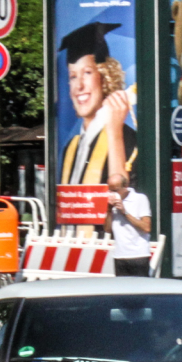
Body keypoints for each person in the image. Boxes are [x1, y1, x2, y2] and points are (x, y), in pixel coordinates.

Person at [59, 22, 137, 186]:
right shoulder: (70, 149)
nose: (79, 86)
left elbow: (126, 199)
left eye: (87, 73)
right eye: (73, 76)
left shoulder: (129, 140)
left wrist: (115, 134)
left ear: (105, 77)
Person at [103, 172, 152, 277]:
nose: (112, 193)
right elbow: (107, 229)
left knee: (140, 290)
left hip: (138, 255)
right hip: (120, 255)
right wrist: (109, 210)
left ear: (125, 187)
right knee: (122, 291)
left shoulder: (140, 199)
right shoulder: (112, 204)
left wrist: (125, 212)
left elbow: (146, 227)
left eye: (115, 190)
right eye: (109, 190)